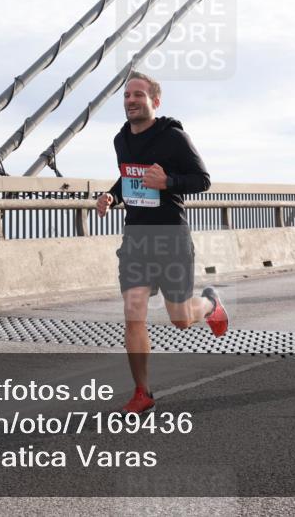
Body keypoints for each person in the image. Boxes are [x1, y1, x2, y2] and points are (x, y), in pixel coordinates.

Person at [96, 70, 228, 414]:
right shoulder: (121, 140)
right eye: (127, 96)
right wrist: (111, 197)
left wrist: (168, 181)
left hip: (171, 237)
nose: (131, 101)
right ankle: (143, 393)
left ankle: (210, 305)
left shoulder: (173, 137)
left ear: (155, 101)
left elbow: (202, 180)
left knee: (180, 319)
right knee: (133, 314)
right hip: (136, 239)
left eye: (138, 95)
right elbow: (128, 180)